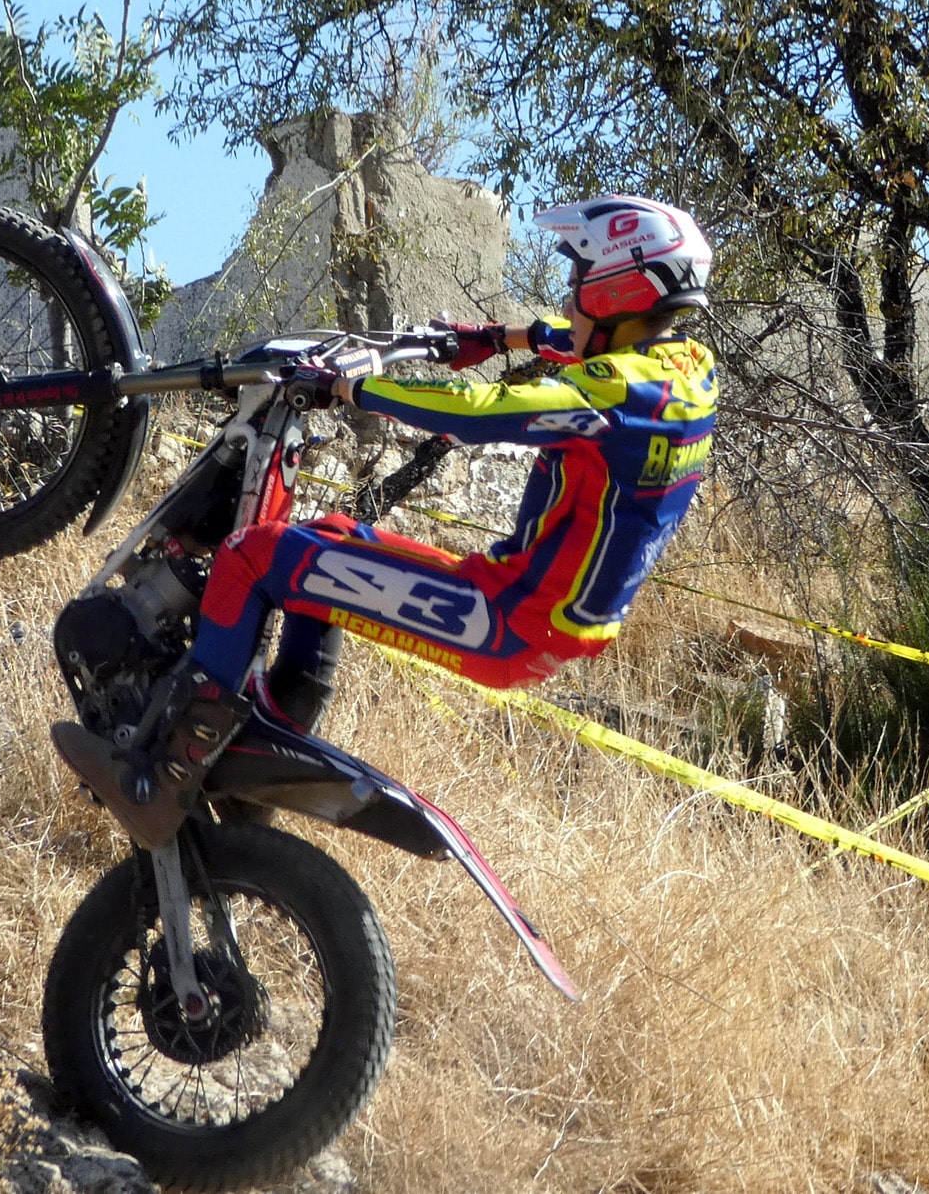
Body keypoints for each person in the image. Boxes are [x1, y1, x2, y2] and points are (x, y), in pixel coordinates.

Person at [54, 195, 719, 849]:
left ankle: (166, 773)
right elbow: (566, 342)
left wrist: (349, 383)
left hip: (505, 618)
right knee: (325, 538)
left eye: (579, 280)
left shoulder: (616, 392)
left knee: (253, 556)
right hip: (537, 613)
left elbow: (476, 411)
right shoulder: (685, 374)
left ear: (618, 288)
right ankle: (252, 753)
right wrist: (490, 337)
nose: (570, 297)